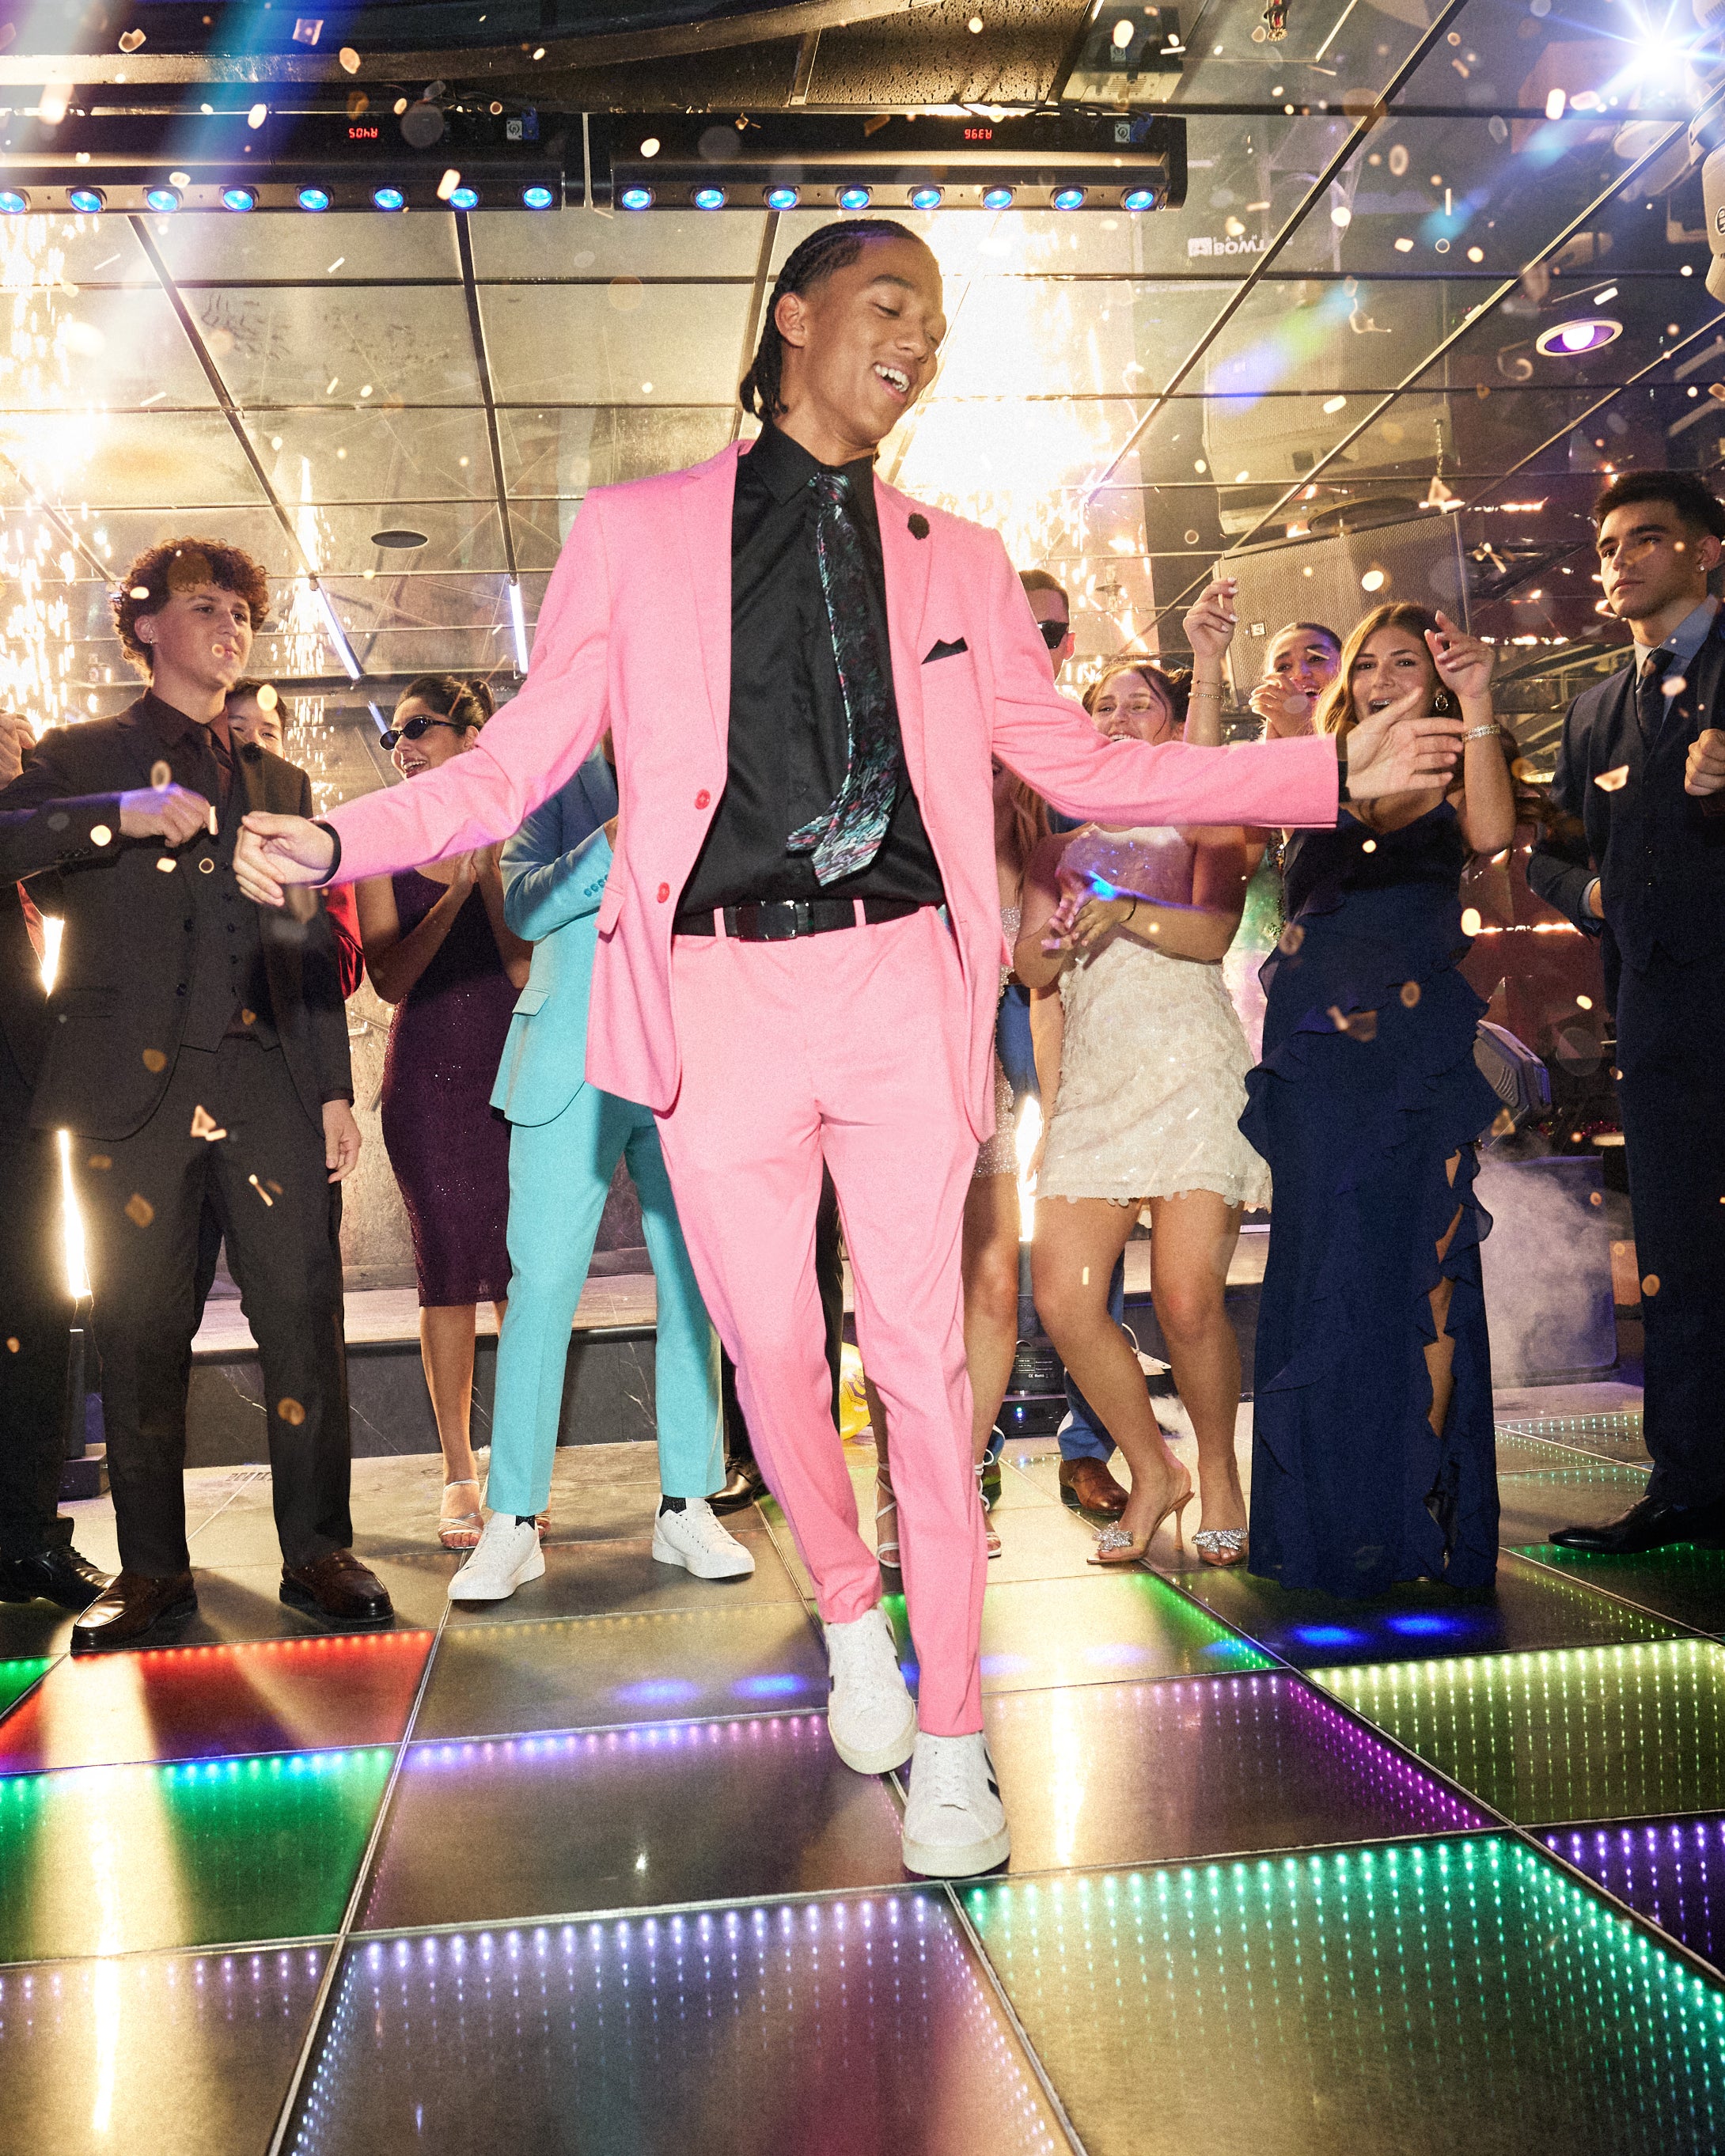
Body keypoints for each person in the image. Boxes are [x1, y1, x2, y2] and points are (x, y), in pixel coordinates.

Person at [236, 218, 1460, 1875]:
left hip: (900, 987)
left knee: (921, 1366)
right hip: (717, 998)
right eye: (892, 305)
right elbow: (520, 761)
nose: (920, 341)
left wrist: (1319, 779)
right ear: (793, 317)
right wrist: (343, 838)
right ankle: (845, 1606)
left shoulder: (962, 558)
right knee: (772, 1359)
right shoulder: (635, 533)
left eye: (937, 323)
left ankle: (953, 1735)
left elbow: (1081, 766)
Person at [0, 537, 384, 1650]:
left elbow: (303, 945)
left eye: (242, 613)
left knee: (302, 1311)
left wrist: (332, 1090)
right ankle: (154, 1571)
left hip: (268, 1082)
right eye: (205, 607)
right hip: (128, 1097)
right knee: (137, 1327)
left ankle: (318, 1548)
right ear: (145, 628)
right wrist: (113, 812)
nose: (230, 627)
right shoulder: (80, 756)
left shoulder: (281, 782)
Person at [1241, 598, 1515, 1597]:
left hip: (1414, 1047)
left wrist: (1477, 703)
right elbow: (1237, 837)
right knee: (1328, 1270)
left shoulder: (1454, 757)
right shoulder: (1311, 768)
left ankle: (1409, 1500)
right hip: (1319, 1049)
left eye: (1405, 663)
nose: (1383, 678)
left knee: (1423, 1268)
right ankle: (1329, 1512)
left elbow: (1491, 832)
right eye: (1367, 664)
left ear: (1433, 678)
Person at [451, 741, 753, 1598]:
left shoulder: (710, 765)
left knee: (692, 1284)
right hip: (565, 1056)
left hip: (686, 1050)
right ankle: (513, 1519)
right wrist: (609, 842)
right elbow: (522, 904)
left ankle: (686, 1501)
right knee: (541, 1285)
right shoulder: (552, 774)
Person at [1017, 645, 1268, 1569]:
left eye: (1139, 703)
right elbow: (1031, 971)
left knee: (1186, 1298)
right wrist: (1057, 927)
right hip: (1094, 1089)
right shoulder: (1055, 850)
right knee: (1063, 1300)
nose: (1119, 717)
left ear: (1170, 722)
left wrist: (1121, 909)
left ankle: (1218, 1470)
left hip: (1190, 1076)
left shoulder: (1206, 824)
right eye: (1104, 705)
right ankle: (1152, 1467)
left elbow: (1209, 937)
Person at [1530, 472, 1725, 1554]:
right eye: (1606, 547)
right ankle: (1688, 1483)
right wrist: (1593, 894)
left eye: (1644, 538)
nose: (1618, 560)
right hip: (1653, 1015)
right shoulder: (1595, 708)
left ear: (1705, 550)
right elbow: (1548, 856)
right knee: (1678, 1253)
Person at [355, 675, 531, 1548]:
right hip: (426, 1083)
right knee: (449, 1271)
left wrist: (488, 878)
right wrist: (451, 896)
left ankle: (522, 1468)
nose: (403, 747)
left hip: (518, 1077)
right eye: (395, 734)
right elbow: (387, 979)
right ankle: (460, 1471)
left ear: (472, 734)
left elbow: (524, 970)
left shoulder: (520, 832)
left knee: (523, 1272)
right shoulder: (384, 843)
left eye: (419, 727)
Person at [872, 760, 1046, 1571]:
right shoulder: (904, 827)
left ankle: (959, 1478)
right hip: (891, 1080)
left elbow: (1033, 977)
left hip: (977, 1082)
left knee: (995, 1287)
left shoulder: (1031, 850)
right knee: (906, 1296)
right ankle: (894, 1483)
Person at [0, 710, 114, 1613]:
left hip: (25, 1100)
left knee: (39, 1308)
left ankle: (26, 1537)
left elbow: (73, 887)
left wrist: (25, 787)